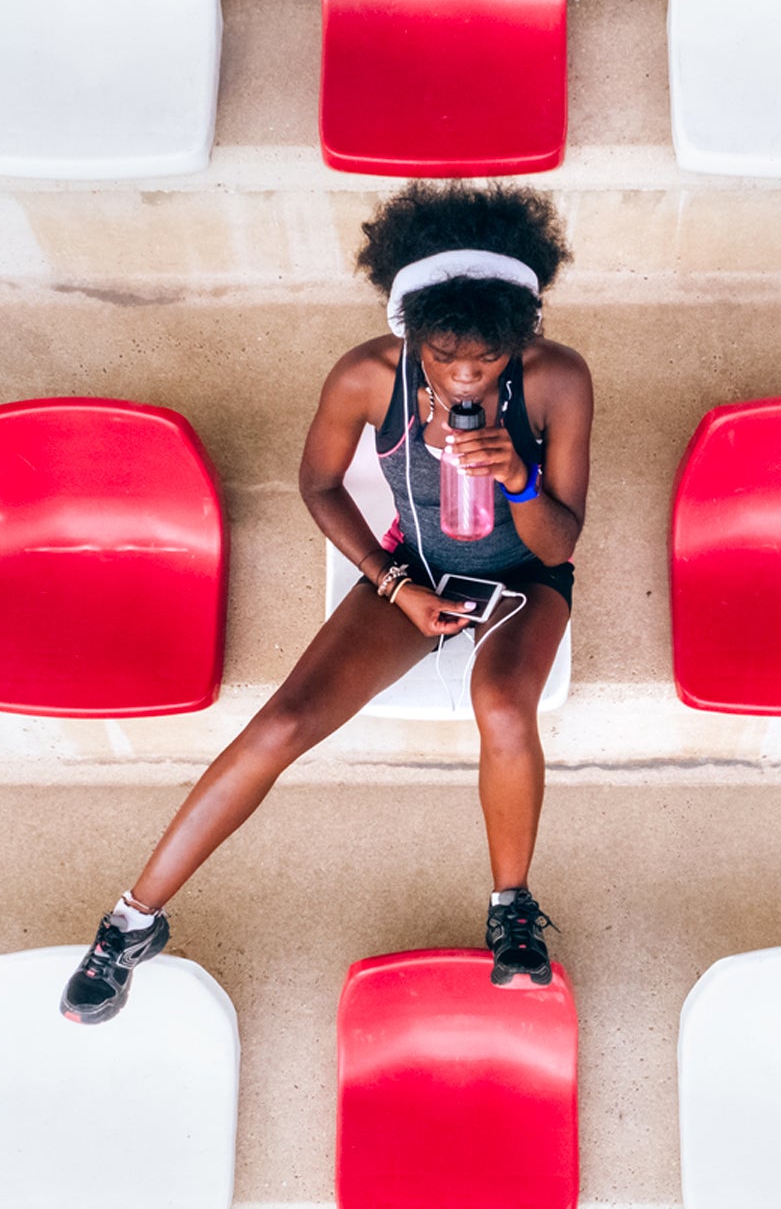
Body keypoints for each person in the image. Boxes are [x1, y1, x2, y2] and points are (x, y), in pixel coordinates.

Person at [62, 182, 592, 1023]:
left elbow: (559, 542)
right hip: (410, 567)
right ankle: (131, 921)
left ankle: (512, 909)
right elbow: (317, 485)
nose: (465, 372)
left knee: (501, 705)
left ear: (519, 338)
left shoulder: (557, 379)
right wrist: (397, 589)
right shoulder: (365, 377)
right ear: (408, 326)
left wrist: (516, 473)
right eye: (445, 351)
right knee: (281, 723)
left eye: (488, 359)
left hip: (524, 577)